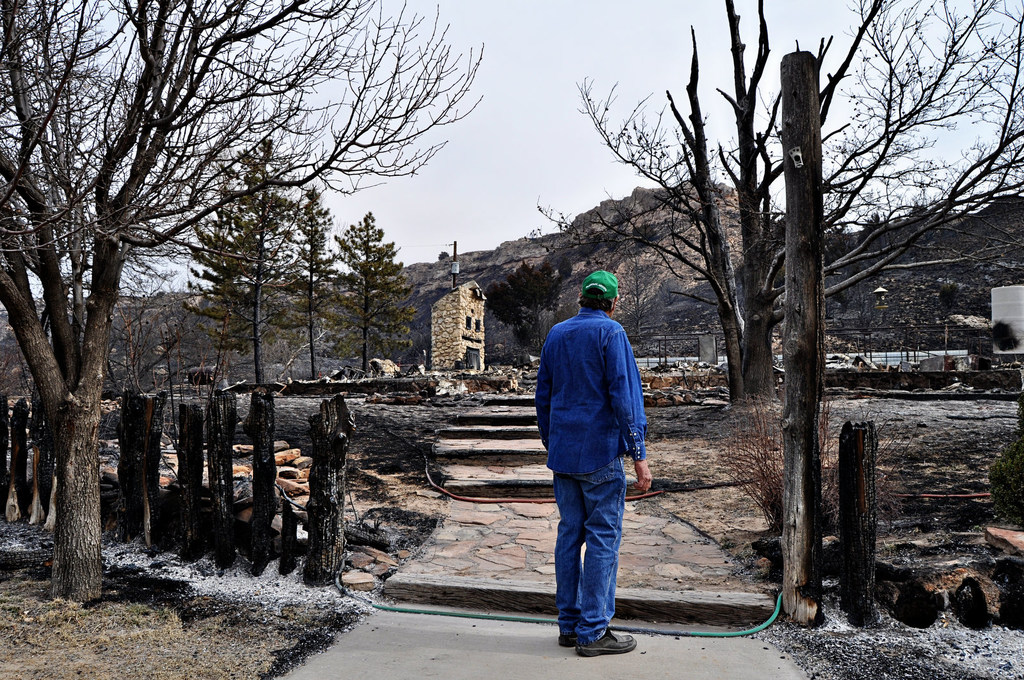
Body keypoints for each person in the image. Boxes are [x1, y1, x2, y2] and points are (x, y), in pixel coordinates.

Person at [535, 269, 652, 657]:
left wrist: (552, 442)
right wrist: (639, 457)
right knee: (603, 538)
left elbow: (543, 397)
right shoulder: (612, 334)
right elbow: (625, 397)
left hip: (563, 455)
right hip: (600, 453)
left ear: (582, 298)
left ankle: (568, 626)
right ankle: (593, 631)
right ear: (614, 302)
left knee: (569, 535)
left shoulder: (556, 334)